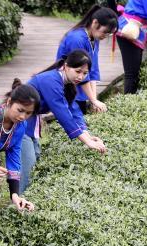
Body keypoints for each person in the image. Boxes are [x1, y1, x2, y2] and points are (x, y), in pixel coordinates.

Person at [20, 50, 108, 192]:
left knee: (34, 158)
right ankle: (19, 201)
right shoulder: (51, 81)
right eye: (78, 71)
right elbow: (63, 115)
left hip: (29, 120)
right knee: (28, 164)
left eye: (85, 73)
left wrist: (87, 135)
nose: (80, 77)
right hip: (20, 120)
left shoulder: (66, 82)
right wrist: (88, 142)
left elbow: (73, 111)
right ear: (66, 66)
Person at [0, 84, 40, 222]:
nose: (23, 116)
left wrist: (15, 194)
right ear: (9, 102)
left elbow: (14, 157)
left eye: (28, 113)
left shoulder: (20, 126)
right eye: (20, 110)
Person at [55, 5, 117, 117]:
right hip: (66, 87)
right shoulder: (77, 39)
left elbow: (92, 70)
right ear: (95, 23)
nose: (106, 36)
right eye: (105, 32)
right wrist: (93, 100)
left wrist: (94, 99)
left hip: (78, 88)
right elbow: (80, 72)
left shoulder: (94, 38)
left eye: (109, 34)